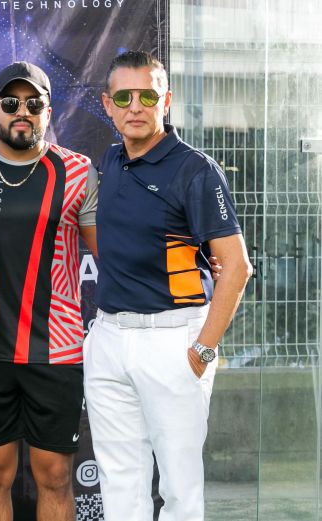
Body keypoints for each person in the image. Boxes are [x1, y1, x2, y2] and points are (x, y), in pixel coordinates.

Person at [85, 50, 252, 521]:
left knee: (179, 491)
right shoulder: (112, 158)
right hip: (109, 339)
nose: (135, 106)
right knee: (119, 483)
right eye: (124, 96)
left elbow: (236, 267)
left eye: (148, 95)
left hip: (174, 340)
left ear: (167, 101)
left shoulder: (196, 170)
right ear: (107, 104)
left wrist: (202, 350)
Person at [0, 62, 98, 521]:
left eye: (34, 103)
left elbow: (112, 251)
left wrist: (190, 252)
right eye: (12, 103)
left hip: (55, 351)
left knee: (55, 476)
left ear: (48, 111)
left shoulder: (77, 171)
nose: (23, 112)